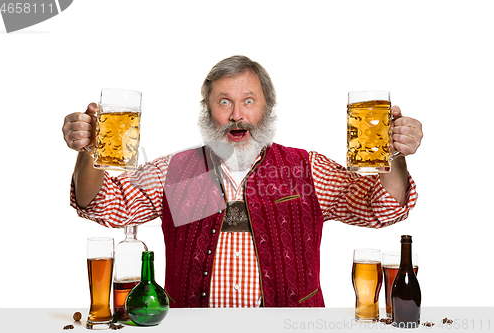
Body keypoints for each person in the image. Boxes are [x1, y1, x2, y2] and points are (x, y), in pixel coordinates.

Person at [62, 55, 423, 308]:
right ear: (207, 109)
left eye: (248, 101)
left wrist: (394, 154)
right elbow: (102, 204)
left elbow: (385, 208)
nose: (237, 115)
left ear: (267, 107)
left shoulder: (305, 168)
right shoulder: (182, 172)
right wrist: (88, 149)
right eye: (224, 102)